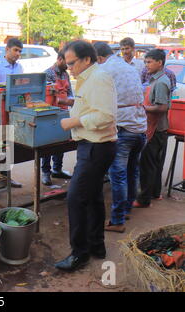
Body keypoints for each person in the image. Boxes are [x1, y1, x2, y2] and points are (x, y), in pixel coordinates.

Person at [55, 40, 117, 272]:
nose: (69, 68)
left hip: (96, 147)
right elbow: (91, 106)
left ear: (87, 59)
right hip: (91, 145)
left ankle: (79, 253)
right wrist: (73, 108)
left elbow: (106, 116)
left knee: (75, 198)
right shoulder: (87, 78)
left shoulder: (98, 77)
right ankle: (96, 246)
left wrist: (74, 120)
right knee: (92, 197)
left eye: (72, 63)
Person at [93, 42, 147, 233]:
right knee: (132, 171)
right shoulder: (129, 66)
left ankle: (117, 220)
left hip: (124, 129)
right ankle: (125, 209)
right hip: (140, 128)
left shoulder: (104, 70)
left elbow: (99, 102)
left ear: (99, 58)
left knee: (118, 175)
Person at [133, 49, 172, 209]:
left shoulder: (161, 82)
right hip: (157, 128)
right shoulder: (155, 79)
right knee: (154, 163)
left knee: (147, 164)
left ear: (159, 62)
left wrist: (144, 108)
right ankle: (155, 193)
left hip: (156, 129)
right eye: (145, 62)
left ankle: (144, 200)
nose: (146, 65)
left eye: (149, 62)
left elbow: (162, 108)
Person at [0, 37, 24, 188]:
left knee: (8, 147)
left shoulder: (19, 68)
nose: (17, 54)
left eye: (20, 51)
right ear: (7, 50)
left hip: (12, 113)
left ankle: (7, 179)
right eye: (15, 50)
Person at [41, 49, 74, 186]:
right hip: (50, 113)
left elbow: (70, 92)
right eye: (67, 61)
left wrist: (70, 101)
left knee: (61, 143)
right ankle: (46, 172)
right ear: (60, 59)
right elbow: (46, 95)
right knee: (48, 144)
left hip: (63, 112)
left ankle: (57, 169)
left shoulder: (66, 74)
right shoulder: (47, 73)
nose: (69, 65)